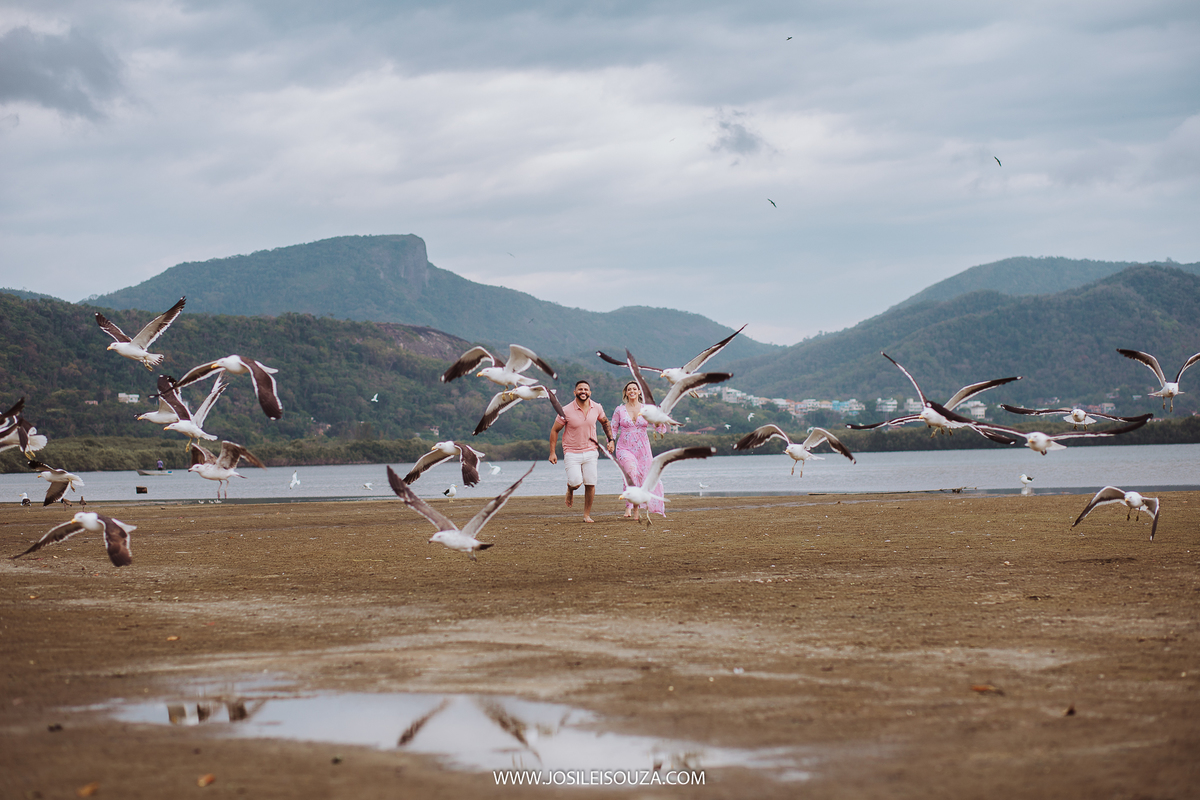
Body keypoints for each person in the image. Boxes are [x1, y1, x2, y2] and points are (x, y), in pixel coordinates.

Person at [549, 380, 614, 523]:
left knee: (590, 483)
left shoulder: (597, 407)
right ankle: (570, 489)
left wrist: (611, 440)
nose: (583, 392)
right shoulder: (565, 410)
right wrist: (552, 452)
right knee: (576, 481)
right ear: (575, 392)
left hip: (591, 451)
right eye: (580, 389)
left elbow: (605, 422)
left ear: (590, 392)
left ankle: (586, 515)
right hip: (572, 452)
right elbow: (555, 430)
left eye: (586, 389)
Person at [610, 381, 669, 521]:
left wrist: (660, 421)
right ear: (626, 392)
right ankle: (633, 509)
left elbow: (659, 427)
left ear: (638, 392)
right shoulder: (620, 410)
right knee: (631, 472)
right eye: (629, 389)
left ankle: (632, 505)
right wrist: (610, 441)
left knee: (644, 476)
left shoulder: (646, 409)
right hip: (624, 447)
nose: (632, 391)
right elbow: (613, 428)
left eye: (634, 389)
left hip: (643, 449)